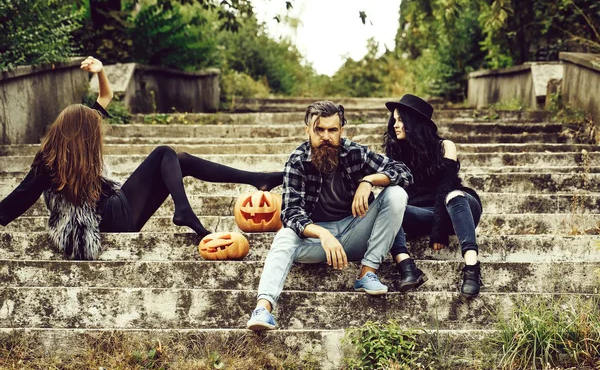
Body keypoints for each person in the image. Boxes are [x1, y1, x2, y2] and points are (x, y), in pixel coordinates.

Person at [0, 57, 283, 260]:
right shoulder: (49, 165)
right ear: (83, 135)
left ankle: (256, 179)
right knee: (164, 153)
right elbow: (14, 203)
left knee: (177, 160)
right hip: (112, 215)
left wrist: (99, 72)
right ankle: (186, 211)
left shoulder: (47, 163)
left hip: (115, 218)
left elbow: (105, 96)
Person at [246, 101, 413, 331]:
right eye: (319, 130)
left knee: (396, 194)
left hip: (355, 233)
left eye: (332, 130)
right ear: (308, 131)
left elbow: (403, 172)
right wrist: (322, 233)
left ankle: (368, 271)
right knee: (284, 236)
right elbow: (291, 214)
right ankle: (263, 309)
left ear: (341, 130)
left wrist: (369, 180)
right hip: (317, 241)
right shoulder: (298, 161)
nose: (326, 137)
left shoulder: (354, 153)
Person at [383, 94, 483, 298]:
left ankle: (472, 269)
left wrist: (439, 230)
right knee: (386, 208)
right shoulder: (395, 152)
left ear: (415, 123)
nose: (395, 124)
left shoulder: (445, 146)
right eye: (394, 119)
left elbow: (445, 188)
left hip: (457, 206)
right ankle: (408, 269)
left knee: (454, 196)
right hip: (423, 213)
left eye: (401, 120)